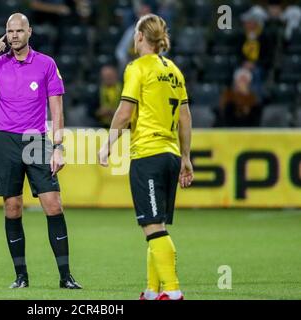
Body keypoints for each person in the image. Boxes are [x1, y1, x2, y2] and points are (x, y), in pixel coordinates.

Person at [0, 13, 82, 290]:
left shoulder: (46, 64)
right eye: (9, 31)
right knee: (13, 208)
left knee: (53, 205)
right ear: (5, 34)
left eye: (19, 30)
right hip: (5, 142)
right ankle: (21, 276)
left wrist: (59, 147)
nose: (14, 35)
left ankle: (65, 276)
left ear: (30, 32)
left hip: (36, 140)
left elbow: (57, 109)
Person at [98, 14, 194, 300]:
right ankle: (152, 291)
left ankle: (174, 292)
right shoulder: (175, 70)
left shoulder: (137, 68)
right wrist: (186, 157)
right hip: (171, 156)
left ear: (139, 36)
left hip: (147, 155)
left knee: (153, 228)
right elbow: (186, 117)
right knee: (157, 225)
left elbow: (124, 112)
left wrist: (108, 144)